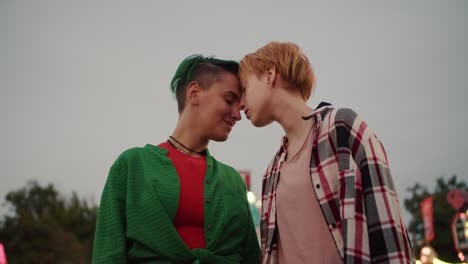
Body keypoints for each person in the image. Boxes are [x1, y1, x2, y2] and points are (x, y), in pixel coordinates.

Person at [238, 42, 415, 263]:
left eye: (244, 88)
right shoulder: (271, 171)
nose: (240, 104)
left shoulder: (342, 129)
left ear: (269, 74)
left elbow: (387, 228)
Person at [93, 54, 260, 263]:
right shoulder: (132, 166)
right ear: (194, 92)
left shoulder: (233, 181)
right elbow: (108, 254)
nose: (237, 114)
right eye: (229, 100)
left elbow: (252, 257)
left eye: (240, 105)